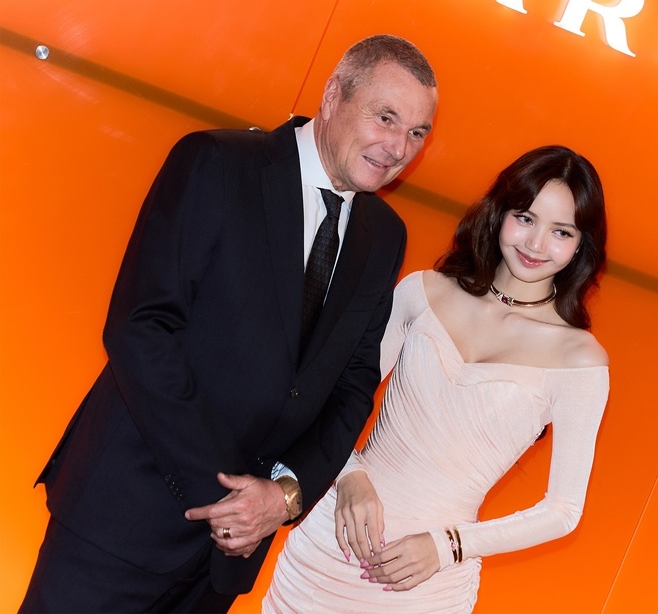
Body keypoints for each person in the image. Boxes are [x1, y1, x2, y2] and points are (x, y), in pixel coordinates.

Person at [20, 34, 438, 614]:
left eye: (417, 133)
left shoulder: (385, 236)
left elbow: (351, 387)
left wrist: (283, 497)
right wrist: (227, 499)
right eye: (385, 117)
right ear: (333, 96)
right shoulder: (217, 162)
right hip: (122, 518)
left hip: (227, 560)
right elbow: (141, 328)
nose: (397, 147)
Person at [264, 145, 609, 613]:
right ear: (500, 213)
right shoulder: (423, 291)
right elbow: (329, 397)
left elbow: (562, 511)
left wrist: (448, 546)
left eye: (561, 231)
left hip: (427, 583)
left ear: (581, 245)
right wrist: (348, 473)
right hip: (329, 547)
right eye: (525, 218)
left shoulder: (580, 361)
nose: (536, 243)